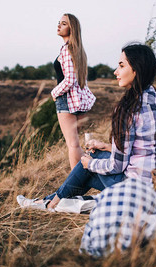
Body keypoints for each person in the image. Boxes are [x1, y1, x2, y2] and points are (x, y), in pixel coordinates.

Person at [17, 43, 156, 210]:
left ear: (136, 70)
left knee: (89, 162)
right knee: (96, 155)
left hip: (136, 191)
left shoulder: (128, 109)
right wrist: (108, 147)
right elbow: (145, 147)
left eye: (121, 66)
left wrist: (89, 164)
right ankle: (48, 202)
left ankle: (49, 203)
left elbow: (117, 166)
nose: (116, 72)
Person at [52, 13, 96, 169]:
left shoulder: (67, 49)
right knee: (76, 143)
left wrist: (54, 92)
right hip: (77, 100)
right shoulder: (78, 50)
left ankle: (74, 184)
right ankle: (83, 177)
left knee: (73, 145)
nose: (59, 25)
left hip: (66, 100)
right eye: (59, 22)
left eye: (63, 23)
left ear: (72, 28)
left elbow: (70, 79)